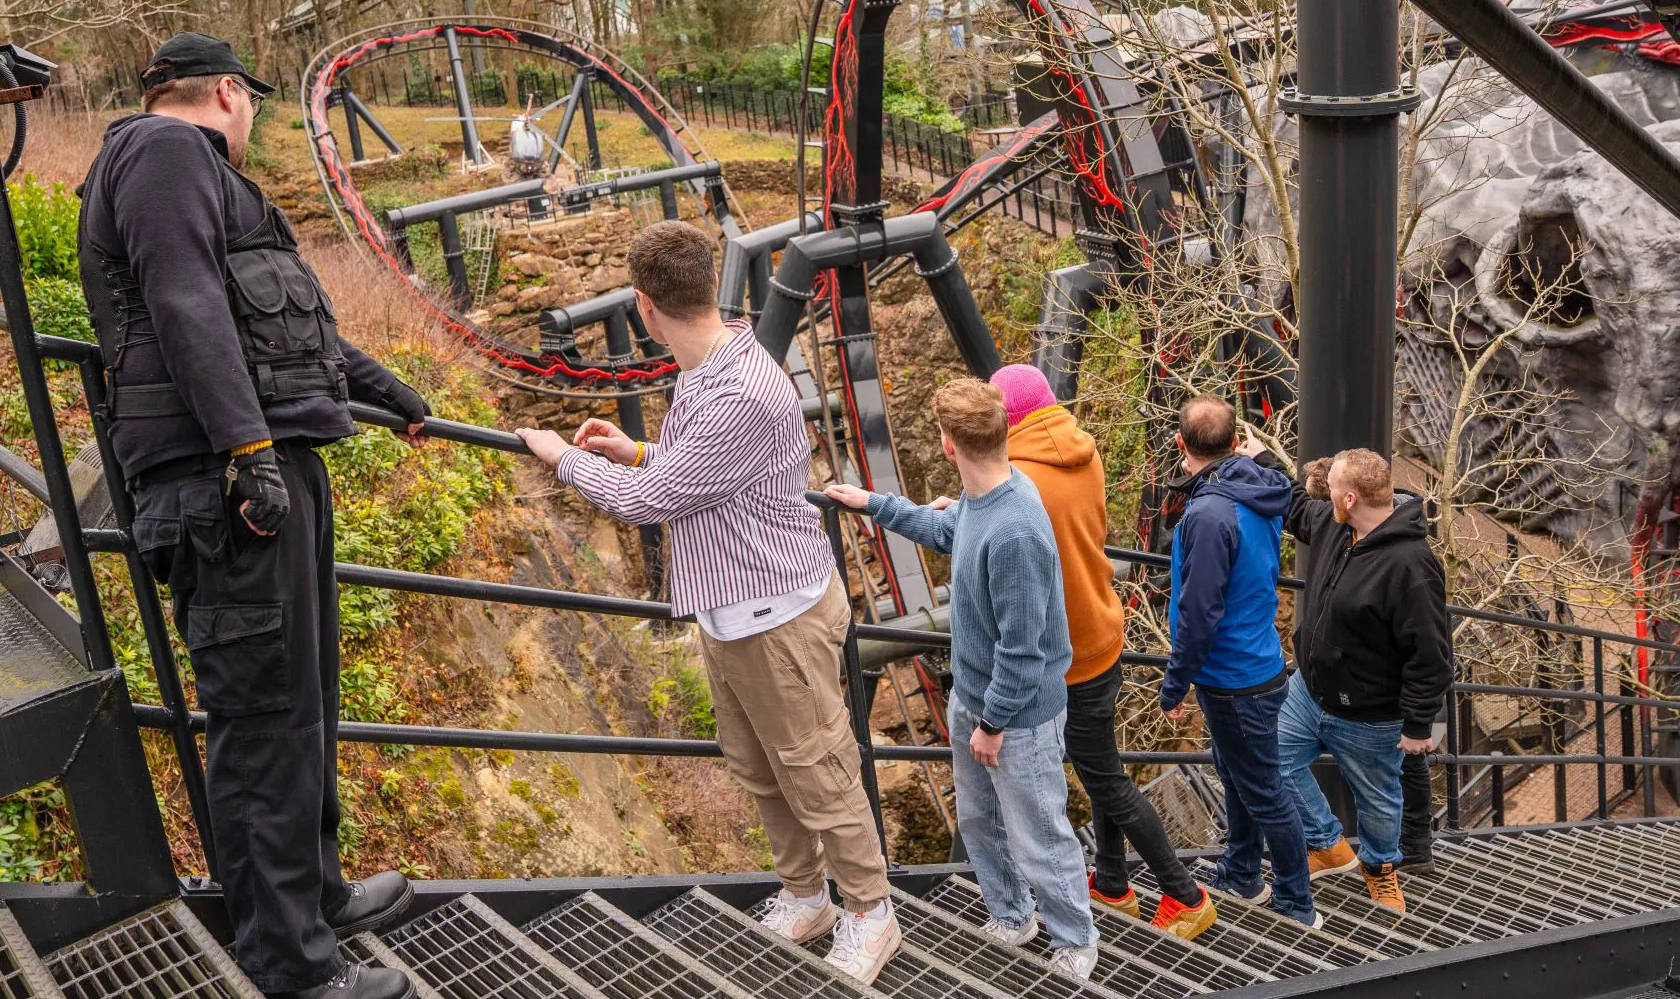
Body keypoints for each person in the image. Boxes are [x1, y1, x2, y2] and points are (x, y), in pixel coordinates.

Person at [78, 33, 431, 999]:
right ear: (228, 92)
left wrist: (389, 387)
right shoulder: (162, 152)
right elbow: (184, 300)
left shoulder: (206, 180)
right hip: (226, 484)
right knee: (265, 720)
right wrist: (246, 449)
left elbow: (284, 321)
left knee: (302, 704)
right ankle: (292, 969)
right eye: (255, 106)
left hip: (265, 469)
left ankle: (312, 896)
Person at [513, 221, 900, 985]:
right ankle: (805, 895)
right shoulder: (705, 364)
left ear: (641, 306)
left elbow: (653, 501)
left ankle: (870, 911)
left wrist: (562, 460)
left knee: (819, 770)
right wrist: (639, 449)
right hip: (730, 604)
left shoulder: (743, 390)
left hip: (778, 613)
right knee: (761, 766)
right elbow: (694, 471)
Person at [826, 378, 1100, 981]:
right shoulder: (983, 498)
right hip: (975, 700)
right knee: (979, 820)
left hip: (1016, 717)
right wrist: (874, 503)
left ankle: (1076, 939)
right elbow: (948, 532)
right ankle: (1012, 914)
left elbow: (1025, 651)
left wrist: (993, 724)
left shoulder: (1016, 532)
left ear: (949, 444)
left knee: (1040, 835)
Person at [988, 364, 1217, 940]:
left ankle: (1186, 896)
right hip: (1103, 628)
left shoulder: (1018, 479)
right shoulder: (1079, 451)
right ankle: (1112, 884)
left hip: (1066, 648)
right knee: (1101, 766)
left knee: (1106, 778)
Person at [1157, 396, 1319, 928]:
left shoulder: (1208, 514)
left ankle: (1297, 902)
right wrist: (1260, 457)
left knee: (1265, 790)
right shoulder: (1259, 485)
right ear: (1234, 442)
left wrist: (1174, 685)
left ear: (1182, 445)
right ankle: (1243, 872)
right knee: (1239, 774)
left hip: (1232, 675)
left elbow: (1198, 613)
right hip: (1259, 661)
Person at [1274, 449, 1453, 915]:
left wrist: (1417, 727)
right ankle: (1329, 844)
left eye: (1329, 485)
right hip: (1309, 691)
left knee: (1378, 802)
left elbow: (1431, 655)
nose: (1321, 488)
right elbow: (1296, 505)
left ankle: (1380, 870)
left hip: (1370, 714)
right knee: (1273, 758)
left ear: (1350, 497)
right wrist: (1261, 464)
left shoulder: (1412, 567)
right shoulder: (1339, 524)